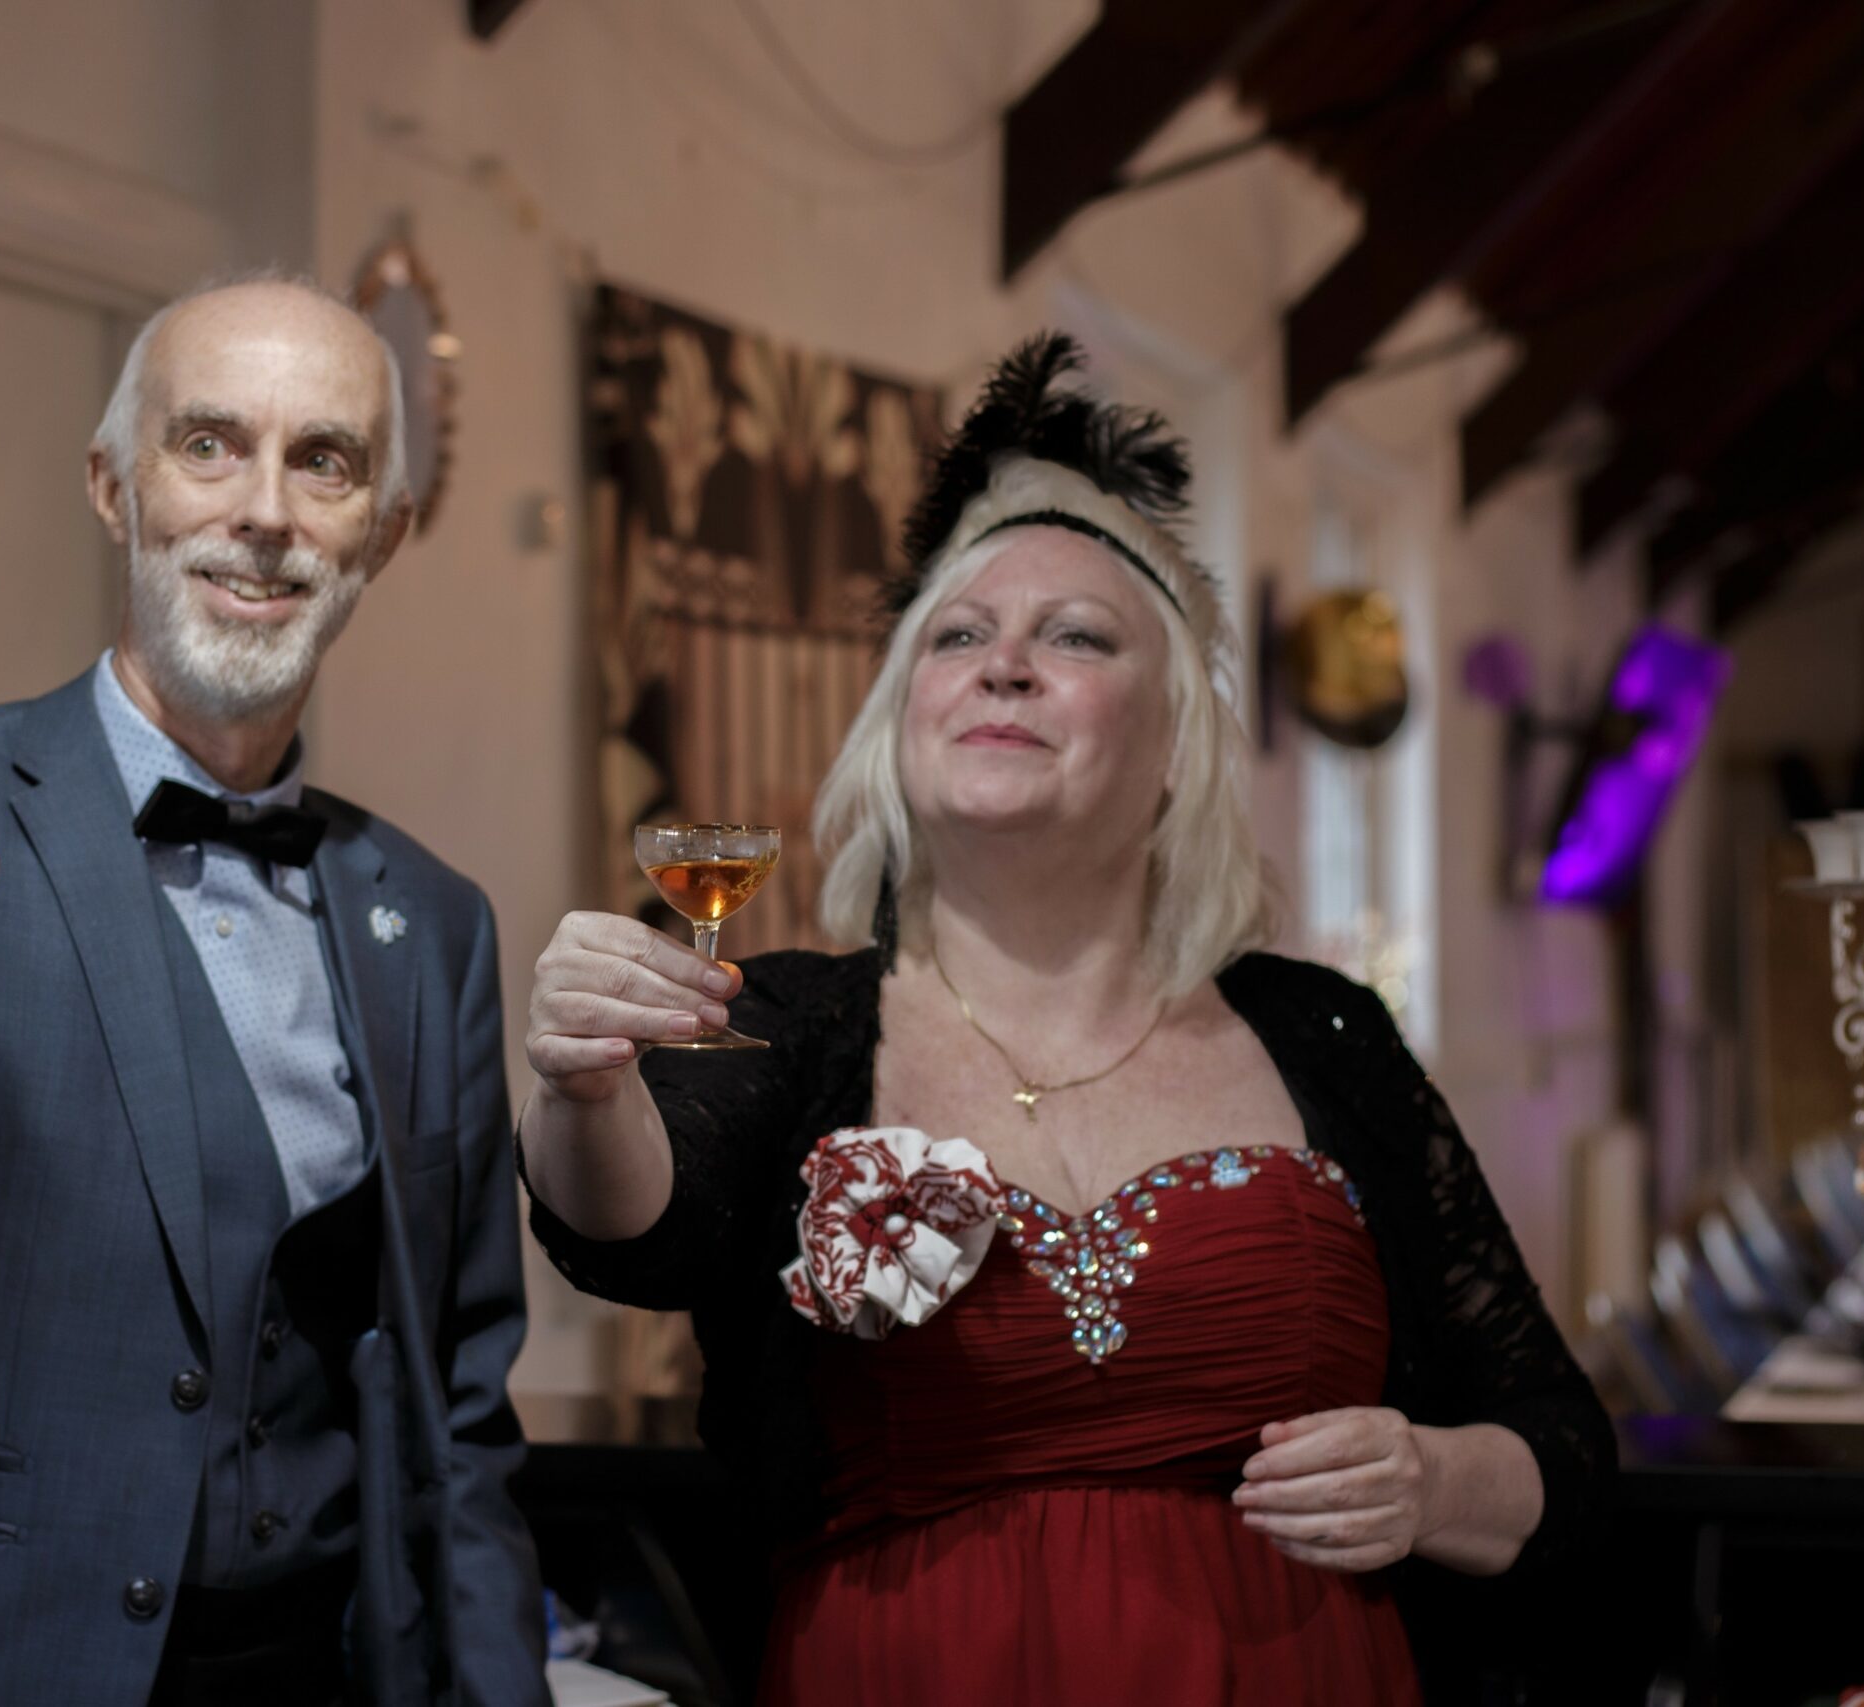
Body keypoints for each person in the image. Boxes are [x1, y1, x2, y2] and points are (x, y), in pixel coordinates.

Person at [518, 336, 1614, 1705]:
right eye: (958, 635)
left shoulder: (1323, 1035)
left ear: (1174, 744)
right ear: (900, 726)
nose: (1005, 666)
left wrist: (1436, 1479)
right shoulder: (797, 1024)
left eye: (1077, 637)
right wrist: (577, 1084)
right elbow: (629, 1226)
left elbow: (1558, 1442)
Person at [0, 273, 545, 1707]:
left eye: (321, 461)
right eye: (207, 443)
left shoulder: (436, 921)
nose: (264, 509)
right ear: (112, 485)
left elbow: (461, 1417)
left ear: (383, 535)